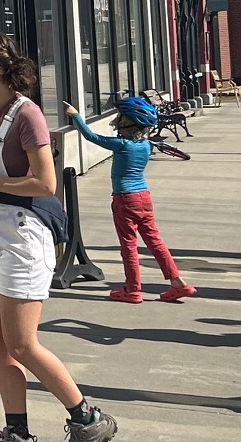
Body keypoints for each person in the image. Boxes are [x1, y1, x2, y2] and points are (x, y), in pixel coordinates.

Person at [0, 31, 118, 442]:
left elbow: (45, 183)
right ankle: (17, 437)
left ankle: (87, 417)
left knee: (22, 342)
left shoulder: (27, 115)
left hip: (23, 234)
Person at [65, 95, 196, 303]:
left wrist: (76, 116)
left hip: (125, 198)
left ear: (125, 123)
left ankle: (133, 290)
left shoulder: (121, 145)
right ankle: (178, 282)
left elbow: (91, 137)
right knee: (155, 242)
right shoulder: (146, 146)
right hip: (144, 197)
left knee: (129, 245)